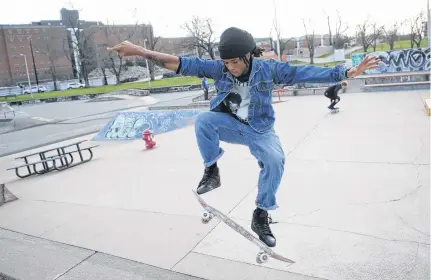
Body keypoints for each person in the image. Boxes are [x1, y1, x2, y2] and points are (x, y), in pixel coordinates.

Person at [108, 27, 379, 248]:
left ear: (249, 56)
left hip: (260, 129)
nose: (231, 68)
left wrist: (345, 72)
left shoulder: (269, 69)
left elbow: (302, 73)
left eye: (235, 62)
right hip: (232, 124)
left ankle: (261, 214)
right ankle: (211, 170)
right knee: (204, 120)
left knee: (275, 160)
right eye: (226, 62)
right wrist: (140, 51)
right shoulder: (220, 69)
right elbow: (181, 63)